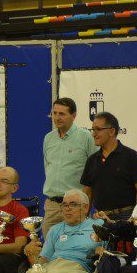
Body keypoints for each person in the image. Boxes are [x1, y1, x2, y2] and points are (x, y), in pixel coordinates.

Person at [42, 97, 98, 229]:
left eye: (62, 114)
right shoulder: (48, 138)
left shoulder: (86, 137)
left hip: (76, 205)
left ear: (73, 116)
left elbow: (94, 174)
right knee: (50, 248)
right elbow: (47, 167)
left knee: (77, 247)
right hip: (52, 205)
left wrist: (86, 208)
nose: (57, 117)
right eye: (54, 113)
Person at [81, 111, 137, 216]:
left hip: (126, 217)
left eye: (98, 129)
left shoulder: (130, 156)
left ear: (112, 131)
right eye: (93, 130)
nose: (94, 134)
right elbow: (87, 193)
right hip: (99, 218)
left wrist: (136, 217)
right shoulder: (92, 160)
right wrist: (83, 220)